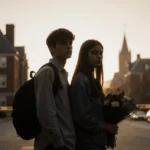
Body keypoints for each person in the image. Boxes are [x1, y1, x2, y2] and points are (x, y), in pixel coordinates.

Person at [70, 39, 118, 150]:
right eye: (94, 52)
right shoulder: (80, 80)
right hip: (87, 144)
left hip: (98, 142)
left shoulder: (93, 80)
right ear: (84, 55)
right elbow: (82, 117)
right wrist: (106, 126)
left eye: (101, 53)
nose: (99, 56)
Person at [34, 28, 76, 150]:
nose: (69, 46)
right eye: (63, 43)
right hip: (53, 146)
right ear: (52, 48)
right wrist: (59, 144)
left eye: (70, 43)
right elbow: (45, 113)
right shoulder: (47, 72)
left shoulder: (62, 74)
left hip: (67, 143)